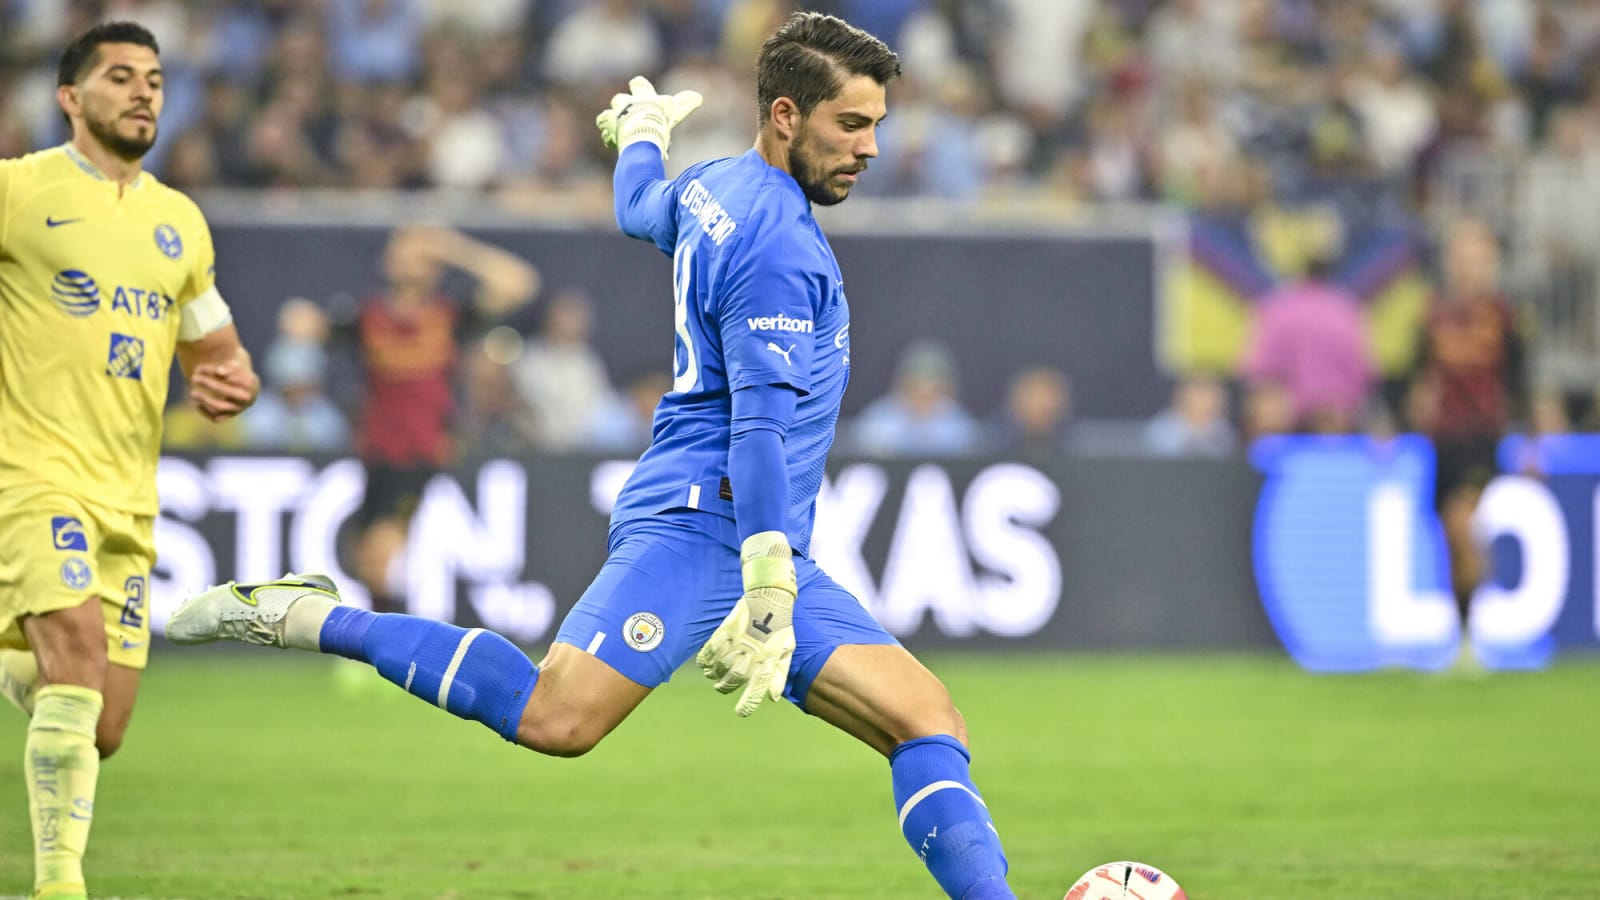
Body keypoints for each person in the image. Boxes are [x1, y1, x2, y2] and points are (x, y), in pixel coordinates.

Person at [165, 13, 1015, 899]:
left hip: (756, 535)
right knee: (556, 717)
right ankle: (305, 616)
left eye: (878, 123)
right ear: (787, 116)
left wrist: (642, 138)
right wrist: (767, 579)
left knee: (927, 720)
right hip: (711, 522)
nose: (872, 147)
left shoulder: (717, 184)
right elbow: (758, 428)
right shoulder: (779, 249)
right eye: (852, 123)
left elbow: (638, 207)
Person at [0, 22, 261, 900]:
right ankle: (58, 886)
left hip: (129, 493)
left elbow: (213, 349)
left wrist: (231, 379)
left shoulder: (177, 223)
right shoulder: (19, 192)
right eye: (119, 77)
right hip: (30, 471)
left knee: (100, 723)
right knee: (72, 660)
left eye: (153, 78)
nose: (144, 91)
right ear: (70, 99)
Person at [340, 224, 537, 613]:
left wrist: (454, 248)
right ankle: (379, 633)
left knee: (383, 548)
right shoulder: (367, 317)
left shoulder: (449, 316)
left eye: (421, 254)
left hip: (421, 449)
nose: (414, 261)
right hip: (376, 447)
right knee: (362, 555)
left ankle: (383, 640)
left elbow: (520, 282)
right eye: (405, 251)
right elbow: (312, 330)